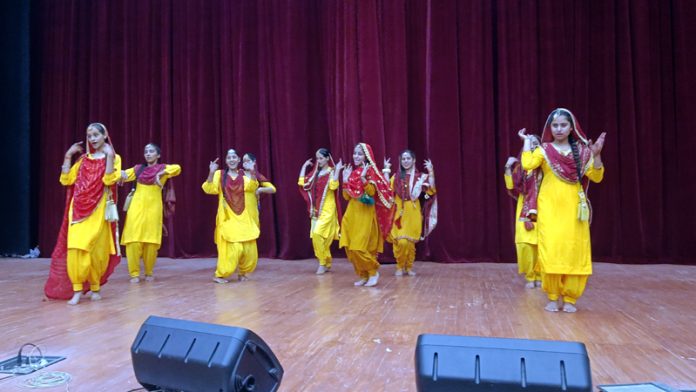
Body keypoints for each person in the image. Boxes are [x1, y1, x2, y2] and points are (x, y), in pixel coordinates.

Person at [520, 108, 606, 312]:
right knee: (551, 250)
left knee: (573, 252)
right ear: (550, 128)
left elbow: (597, 176)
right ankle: (552, 295)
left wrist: (597, 155)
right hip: (549, 209)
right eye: (555, 125)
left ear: (571, 128)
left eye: (563, 125)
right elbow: (527, 163)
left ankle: (570, 298)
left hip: (573, 211)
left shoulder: (583, 152)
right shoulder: (544, 150)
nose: (559, 129)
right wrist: (525, 141)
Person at [44, 123, 122, 305]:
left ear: (104, 136)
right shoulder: (82, 161)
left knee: (95, 251)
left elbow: (109, 179)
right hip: (77, 210)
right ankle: (77, 289)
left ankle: (95, 287)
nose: (92, 139)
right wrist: (68, 155)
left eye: (96, 135)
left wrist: (110, 157)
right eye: (89, 135)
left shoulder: (115, 157)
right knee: (75, 248)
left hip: (98, 210)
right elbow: (66, 180)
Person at [202, 149, 275, 283]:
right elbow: (208, 189)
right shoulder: (220, 174)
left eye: (234, 157)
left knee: (249, 248)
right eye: (229, 157)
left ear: (239, 160)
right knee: (234, 247)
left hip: (244, 217)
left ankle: (243, 273)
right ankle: (220, 274)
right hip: (228, 217)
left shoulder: (244, 177)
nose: (231, 160)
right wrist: (211, 172)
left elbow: (253, 186)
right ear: (226, 160)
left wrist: (252, 171)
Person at [120, 143, 181, 283]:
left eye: (151, 151)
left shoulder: (163, 168)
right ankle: (134, 273)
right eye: (146, 151)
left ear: (158, 155)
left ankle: (148, 272)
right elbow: (122, 174)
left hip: (154, 209)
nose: (148, 154)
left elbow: (178, 168)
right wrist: (121, 173)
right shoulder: (138, 169)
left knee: (151, 242)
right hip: (136, 208)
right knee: (133, 240)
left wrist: (163, 173)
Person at [339, 143, 394, 287]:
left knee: (359, 247)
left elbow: (371, 193)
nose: (356, 156)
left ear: (367, 156)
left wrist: (364, 179)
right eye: (355, 153)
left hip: (364, 214)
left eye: (359, 154)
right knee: (349, 248)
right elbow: (346, 196)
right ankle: (363, 275)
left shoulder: (371, 172)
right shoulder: (353, 172)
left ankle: (373, 271)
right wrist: (344, 180)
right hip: (351, 214)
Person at [383, 150, 437, 277]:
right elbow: (386, 190)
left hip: (413, 212)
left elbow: (430, 190)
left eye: (408, 158)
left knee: (410, 243)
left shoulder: (420, 177)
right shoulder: (395, 177)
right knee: (401, 242)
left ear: (413, 160)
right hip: (399, 212)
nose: (405, 161)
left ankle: (408, 266)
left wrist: (431, 172)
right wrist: (386, 170)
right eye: (403, 159)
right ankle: (400, 266)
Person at [504, 135, 542, 288]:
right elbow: (511, 186)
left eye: (535, 143)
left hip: (543, 206)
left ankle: (541, 275)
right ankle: (531, 276)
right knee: (526, 242)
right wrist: (508, 167)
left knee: (541, 242)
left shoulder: (546, 164)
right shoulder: (521, 168)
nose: (532, 146)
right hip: (526, 207)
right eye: (529, 143)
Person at [298, 148, 343, 274]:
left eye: (321, 158)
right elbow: (303, 183)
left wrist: (338, 171)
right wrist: (304, 166)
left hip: (328, 208)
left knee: (318, 234)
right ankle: (327, 261)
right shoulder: (315, 174)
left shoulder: (331, 172)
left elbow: (334, 186)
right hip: (317, 209)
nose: (319, 160)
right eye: (317, 158)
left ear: (328, 158)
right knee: (319, 237)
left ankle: (322, 263)